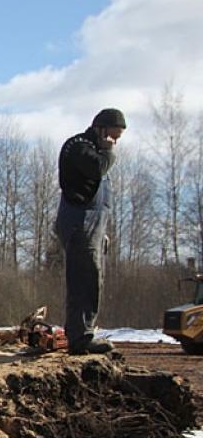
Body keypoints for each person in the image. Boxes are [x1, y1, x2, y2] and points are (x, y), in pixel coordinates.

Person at [55, 108, 126, 355]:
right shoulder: (80, 146)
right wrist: (108, 152)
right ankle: (80, 336)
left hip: (93, 225)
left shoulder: (95, 149)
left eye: (117, 139)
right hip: (79, 221)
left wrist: (102, 230)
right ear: (100, 129)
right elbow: (96, 169)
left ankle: (84, 331)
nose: (114, 143)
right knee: (83, 279)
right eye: (112, 136)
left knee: (93, 279)